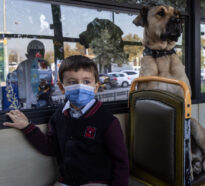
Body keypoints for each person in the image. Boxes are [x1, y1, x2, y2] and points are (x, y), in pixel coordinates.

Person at [3, 55, 129, 186]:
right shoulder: (59, 116)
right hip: (66, 181)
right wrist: (27, 126)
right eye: (72, 82)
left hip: (97, 181)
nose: (80, 87)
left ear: (96, 87)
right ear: (62, 87)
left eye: (86, 82)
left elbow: (121, 162)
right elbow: (50, 148)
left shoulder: (108, 121)